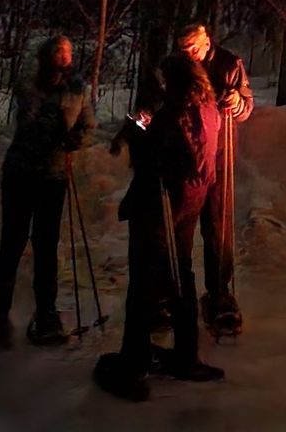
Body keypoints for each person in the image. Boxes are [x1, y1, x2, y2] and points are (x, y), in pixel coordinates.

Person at [94, 52, 224, 402]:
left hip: (161, 204)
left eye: (165, 80)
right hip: (191, 201)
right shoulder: (209, 111)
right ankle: (186, 353)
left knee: (144, 280)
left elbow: (151, 150)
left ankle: (132, 362)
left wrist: (136, 128)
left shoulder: (175, 114)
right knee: (181, 272)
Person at [0, 35, 94, 350]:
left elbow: (87, 123)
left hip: (53, 175)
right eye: (58, 52)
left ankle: (46, 314)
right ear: (46, 56)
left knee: (46, 245)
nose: (64, 57)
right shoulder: (31, 83)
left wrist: (76, 139)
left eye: (68, 52)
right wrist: (56, 119)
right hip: (22, 172)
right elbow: (30, 117)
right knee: (13, 242)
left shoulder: (78, 88)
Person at [174, 22, 253, 328]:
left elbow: (247, 107)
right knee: (181, 226)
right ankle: (174, 291)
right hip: (185, 158)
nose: (189, 54)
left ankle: (219, 292)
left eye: (193, 48)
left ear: (206, 42)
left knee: (218, 226)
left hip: (219, 155)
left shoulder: (230, 65)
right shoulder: (178, 68)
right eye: (183, 49)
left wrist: (238, 103)